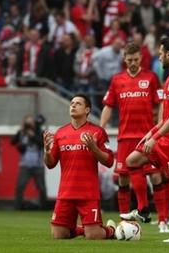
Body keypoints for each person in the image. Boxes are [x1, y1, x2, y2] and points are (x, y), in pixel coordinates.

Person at [125, 37, 169, 243]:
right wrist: (151, 133)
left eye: (160, 53)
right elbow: (166, 117)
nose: (158, 56)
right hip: (165, 137)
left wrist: (155, 136)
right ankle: (142, 210)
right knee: (132, 161)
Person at [100, 42, 169, 233]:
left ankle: (162, 220)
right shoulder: (117, 80)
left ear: (141, 59)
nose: (132, 63)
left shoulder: (151, 78)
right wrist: (101, 127)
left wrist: (162, 122)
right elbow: (108, 106)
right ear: (124, 59)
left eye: (136, 59)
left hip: (147, 136)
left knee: (155, 176)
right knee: (123, 179)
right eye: (129, 60)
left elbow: (161, 101)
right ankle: (125, 221)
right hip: (125, 137)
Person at [43, 93, 116, 240]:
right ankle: (84, 230)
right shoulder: (60, 133)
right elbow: (50, 164)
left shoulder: (97, 132)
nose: (73, 105)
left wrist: (94, 148)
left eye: (78, 103)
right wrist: (46, 151)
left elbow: (109, 161)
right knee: (58, 235)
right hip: (66, 193)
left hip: (88, 193)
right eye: (72, 103)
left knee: (94, 236)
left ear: (87, 110)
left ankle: (112, 230)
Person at [11, 115, 47, 210]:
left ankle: (44, 207)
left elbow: (43, 144)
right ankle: (17, 207)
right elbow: (12, 142)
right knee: (20, 186)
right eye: (27, 122)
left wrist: (33, 136)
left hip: (38, 165)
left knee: (41, 187)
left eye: (31, 122)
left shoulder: (39, 132)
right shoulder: (22, 133)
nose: (29, 124)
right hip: (25, 165)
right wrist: (20, 131)